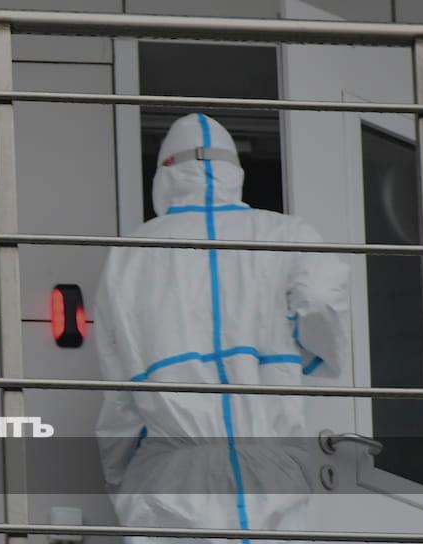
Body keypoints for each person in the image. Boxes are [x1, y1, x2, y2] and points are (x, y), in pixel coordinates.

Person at [94, 113, 350, 543]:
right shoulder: (287, 235)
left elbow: (120, 399)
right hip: (269, 467)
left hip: (171, 474)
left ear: (165, 175)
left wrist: (123, 482)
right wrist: (310, 352)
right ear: (235, 172)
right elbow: (322, 298)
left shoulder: (130, 256)